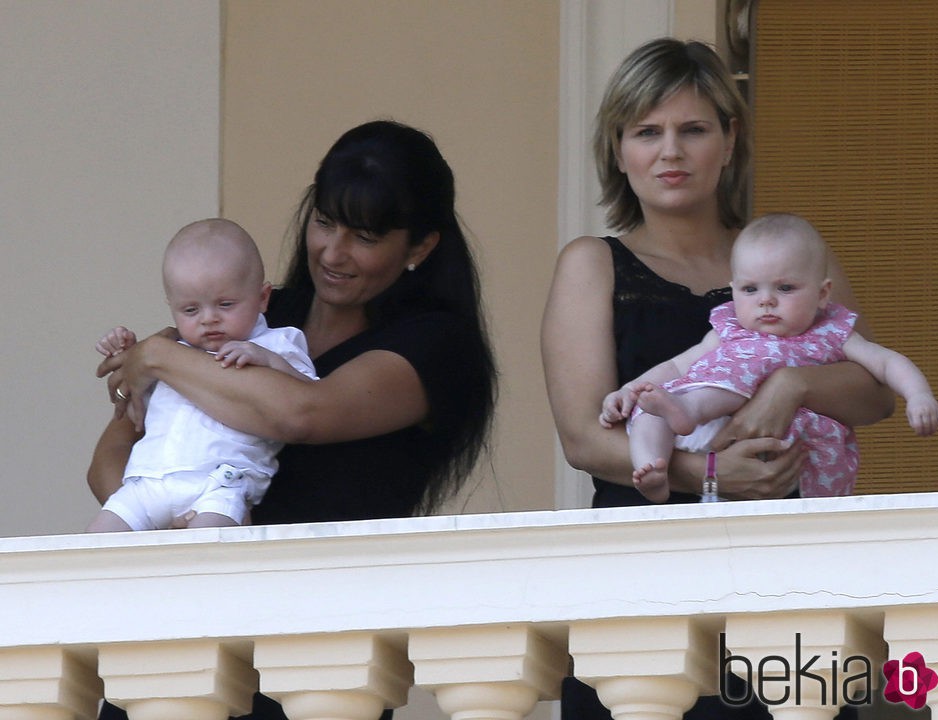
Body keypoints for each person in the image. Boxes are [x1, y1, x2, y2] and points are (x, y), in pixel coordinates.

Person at [89, 120, 497, 720]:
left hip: (313, 652)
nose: (333, 252)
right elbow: (113, 455)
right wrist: (163, 518)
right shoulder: (244, 310)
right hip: (182, 628)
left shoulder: (434, 345)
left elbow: (304, 411)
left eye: (364, 235)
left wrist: (157, 354)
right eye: (325, 222)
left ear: (420, 246)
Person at [540, 38, 893, 720]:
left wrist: (794, 386)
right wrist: (708, 474)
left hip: (786, 574)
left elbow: (876, 390)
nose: (670, 151)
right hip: (642, 577)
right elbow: (584, 438)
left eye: (693, 129)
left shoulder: (788, 257)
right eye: (647, 132)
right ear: (619, 149)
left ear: (729, 140)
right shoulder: (593, 263)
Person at [600, 212, 938, 498]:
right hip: (706, 436)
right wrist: (629, 390)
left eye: (785, 288)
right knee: (649, 413)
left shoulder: (831, 332)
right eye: (750, 290)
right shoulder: (728, 329)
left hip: (779, 452)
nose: (766, 300)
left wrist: (919, 395)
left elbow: (885, 362)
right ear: (733, 291)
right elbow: (677, 365)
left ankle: (685, 412)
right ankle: (652, 469)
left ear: (823, 294)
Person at [86, 219, 317, 533]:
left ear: (262, 298)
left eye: (225, 304)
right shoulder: (170, 352)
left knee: (208, 557)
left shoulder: (276, 343)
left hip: (218, 484)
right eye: (191, 310)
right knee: (95, 545)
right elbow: (135, 409)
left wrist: (268, 360)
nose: (209, 319)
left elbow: (311, 397)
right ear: (172, 308)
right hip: (148, 482)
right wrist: (125, 353)